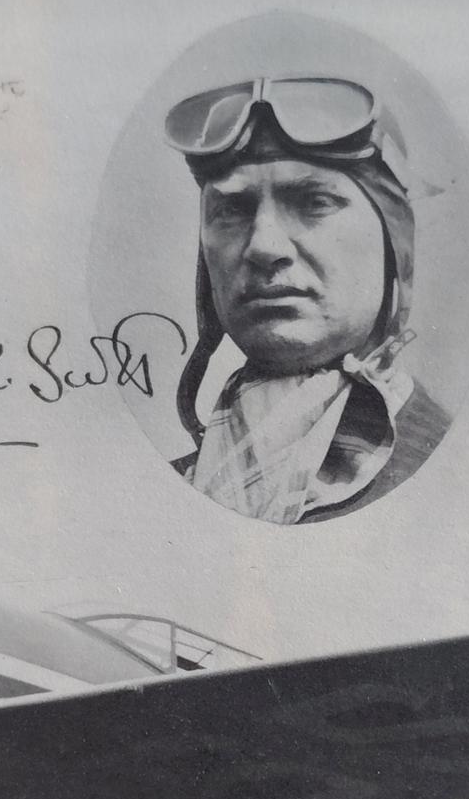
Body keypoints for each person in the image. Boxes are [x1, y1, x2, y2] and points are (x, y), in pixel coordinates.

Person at [164, 75, 450, 524]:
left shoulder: (459, 475)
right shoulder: (159, 496)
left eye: (314, 202)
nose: (264, 247)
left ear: (395, 243)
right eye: (232, 211)